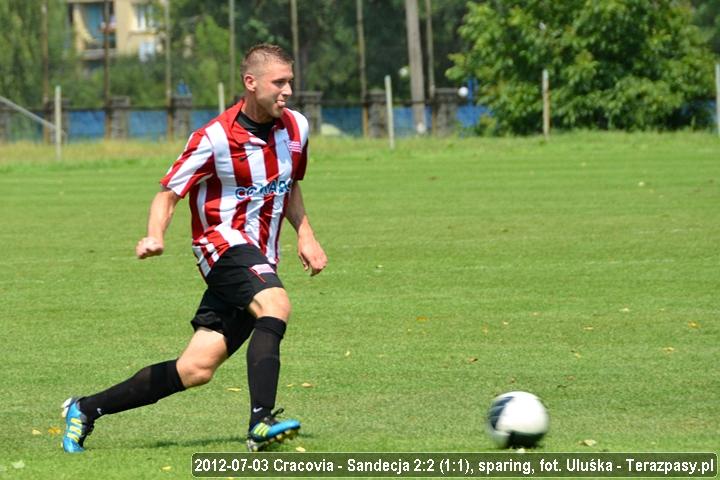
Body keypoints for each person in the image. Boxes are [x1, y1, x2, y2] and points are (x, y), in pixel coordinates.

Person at [61, 43, 327, 453]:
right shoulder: (214, 138)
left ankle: (84, 409)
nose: (287, 90)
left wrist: (305, 235)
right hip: (221, 245)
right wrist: (155, 235)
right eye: (279, 82)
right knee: (275, 304)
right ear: (250, 83)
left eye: (290, 81)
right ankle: (261, 424)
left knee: (195, 368)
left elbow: (290, 186)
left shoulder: (297, 129)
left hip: (261, 255)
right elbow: (167, 194)